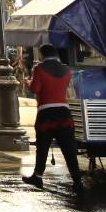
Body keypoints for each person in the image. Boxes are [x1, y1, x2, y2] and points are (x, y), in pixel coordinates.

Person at [21, 45, 84, 191]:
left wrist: (28, 82)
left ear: (42, 55)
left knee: (42, 146)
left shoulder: (39, 69)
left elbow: (35, 89)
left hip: (46, 112)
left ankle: (38, 176)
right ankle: (77, 180)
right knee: (69, 148)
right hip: (64, 112)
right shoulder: (66, 70)